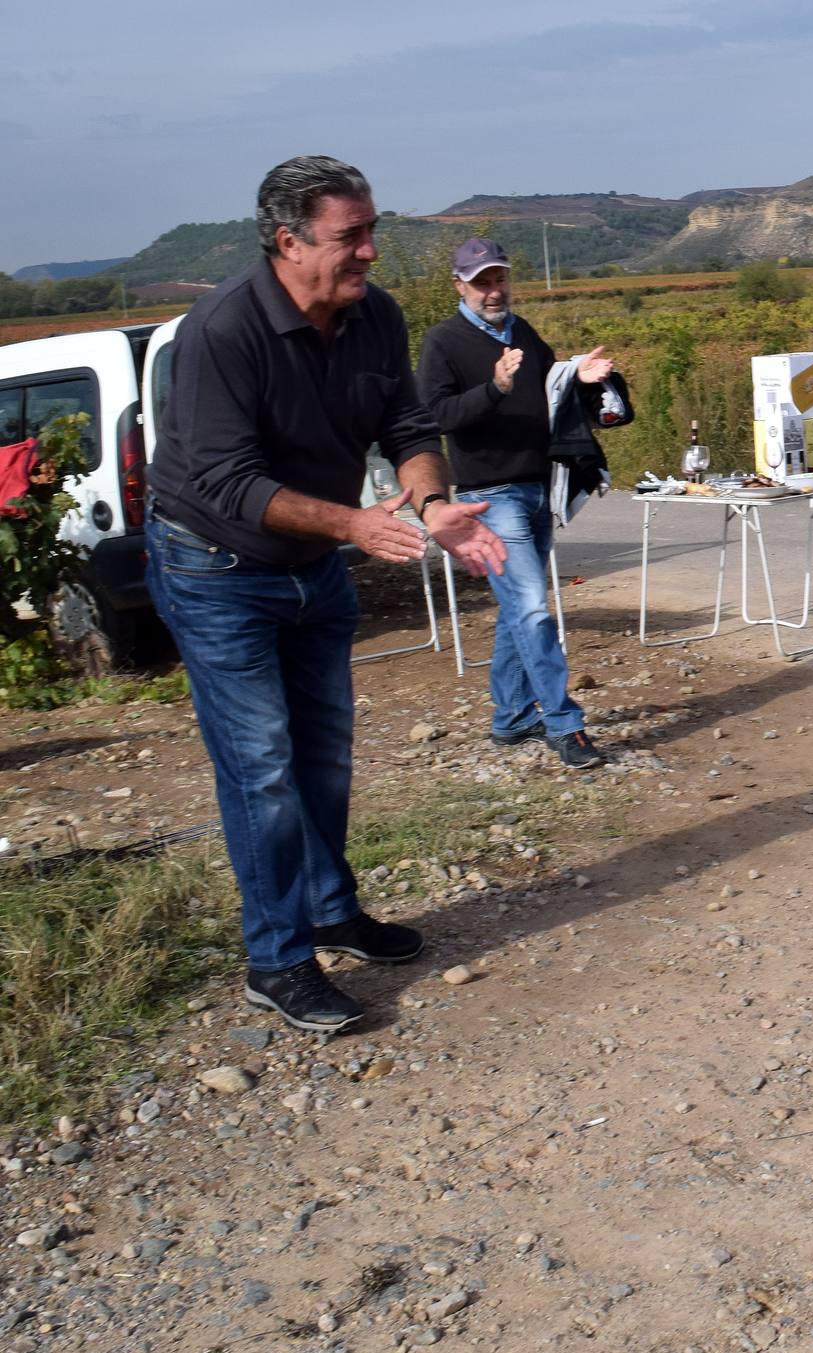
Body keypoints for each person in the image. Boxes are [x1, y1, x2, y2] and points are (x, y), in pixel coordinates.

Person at [146, 156, 508, 1034]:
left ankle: (332, 911)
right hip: (216, 570)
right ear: (289, 241)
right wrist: (353, 525)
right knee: (263, 769)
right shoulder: (221, 332)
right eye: (352, 236)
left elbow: (408, 428)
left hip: (309, 568)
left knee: (324, 758)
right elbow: (229, 481)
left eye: (372, 230)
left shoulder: (373, 317)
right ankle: (277, 960)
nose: (371, 251)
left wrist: (430, 504)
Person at [416, 237, 613, 768]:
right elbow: (435, 415)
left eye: (499, 278)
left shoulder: (523, 331)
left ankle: (510, 718)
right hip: (489, 498)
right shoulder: (443, 342)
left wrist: (580, 376)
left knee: (515, 613)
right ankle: (563, 722)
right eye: (481, 282)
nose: (493, 290)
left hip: (536, 489)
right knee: (530, 608)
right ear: (459, 285)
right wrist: (495, 388)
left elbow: (550, 387)